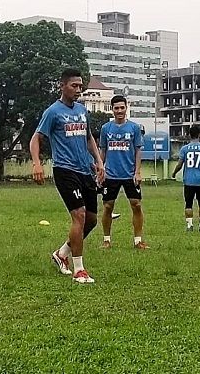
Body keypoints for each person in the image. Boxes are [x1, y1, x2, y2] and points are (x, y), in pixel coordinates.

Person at [30, 68, 105, 284]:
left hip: (85, 170)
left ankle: (62, 253)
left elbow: (89, 137)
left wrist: (99, 163)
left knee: (91, 221)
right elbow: (36, 139)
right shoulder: (53, 112)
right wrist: (37, 163)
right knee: (79, 216)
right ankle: (79, 269)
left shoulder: (82, 110)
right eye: (74, 86)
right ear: (62, 86)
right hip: (65, 170)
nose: (78, 90)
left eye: (81, 86)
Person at [98, 95, 147, 249]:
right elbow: (102, 150)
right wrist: (100, 169)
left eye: (122, 107)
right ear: (112, 109)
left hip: (129, 174)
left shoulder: (134, 128)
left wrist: (137, 172)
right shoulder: (106, 128)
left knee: (136, 205)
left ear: (126, 108)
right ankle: (106, 240)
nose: (119, 110)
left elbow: (138, 151)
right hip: (111, 174)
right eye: (116, 108)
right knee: (108, 206)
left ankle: (138, 241)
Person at [171, 125, 200, 232]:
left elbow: (180, 164)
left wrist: (174, 173)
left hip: (188, 181)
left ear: (189, 134)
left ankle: (189, 225)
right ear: (199, 134)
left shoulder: (184, 149)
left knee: (188, 204)